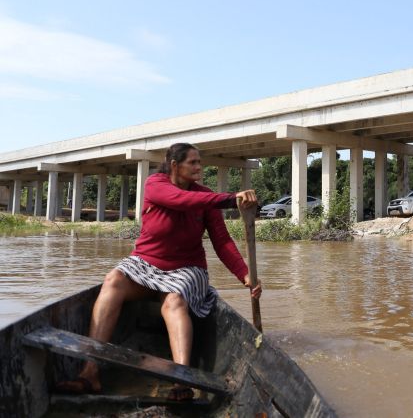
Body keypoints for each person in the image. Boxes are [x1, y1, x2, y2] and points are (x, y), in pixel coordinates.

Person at [56, 143, 262, 402]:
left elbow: (222, 242)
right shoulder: (156, 184)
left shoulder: (205, 197)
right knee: (112, 281)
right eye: (193, 162)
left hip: (187, 267)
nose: (199, 167)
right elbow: (181, 201)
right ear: (174, 165)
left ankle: (181, 379)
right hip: (145, 263)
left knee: (174, 299)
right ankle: (90, 372)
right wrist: (231, 198)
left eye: (200, 162)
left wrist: (244, 274)